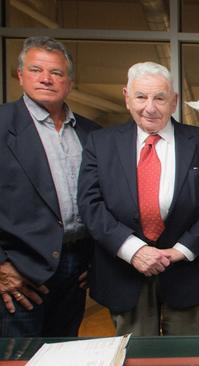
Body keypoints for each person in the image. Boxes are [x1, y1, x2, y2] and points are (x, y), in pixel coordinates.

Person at [78, 61, 199, 336]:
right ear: (126, 97)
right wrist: (133, 250)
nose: (150, 107)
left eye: (160, 97)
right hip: (124, 270)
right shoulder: (100, 143)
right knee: (135, 356)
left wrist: (183, 249)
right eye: (141, 97)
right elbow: (90, 204)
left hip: (188, 270)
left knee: (189, 358)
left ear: (174, 101)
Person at [0, 36, 100, 337]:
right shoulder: (3, 124)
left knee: (64, 351)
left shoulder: (90, 133)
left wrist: (97, 261)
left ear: (69, 81)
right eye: (35, 69)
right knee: (19, 357)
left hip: (76, 268)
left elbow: (103, 200)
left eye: (56, 72)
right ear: (20, 75)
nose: (46, 79)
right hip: (18, 272)